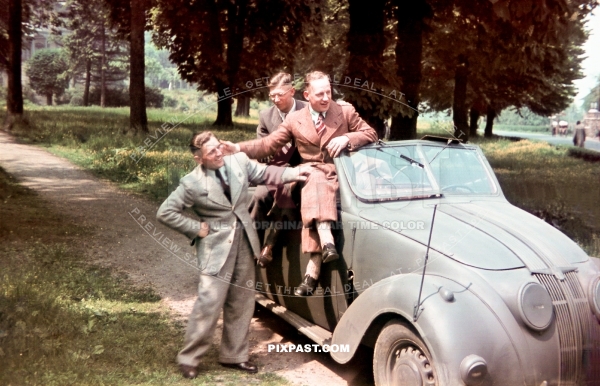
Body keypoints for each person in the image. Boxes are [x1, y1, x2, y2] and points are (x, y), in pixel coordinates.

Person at [156, 131, 309, 379]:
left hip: (246, 243)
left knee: (242, 301)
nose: (219, 153)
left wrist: (295, 173)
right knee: (209, 303)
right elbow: (166, 212)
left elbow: (265, 173)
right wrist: (196, 228)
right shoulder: (191, 183)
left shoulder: (238, 161)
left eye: (219, 147)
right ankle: (189, 359)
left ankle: (234, 356)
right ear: (199, 159)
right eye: (212, 152)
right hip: (215, 248)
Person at [221, 71, 377, 296]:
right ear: (307, 94)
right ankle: (322, 249)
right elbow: (268, 145)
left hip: (341, 176)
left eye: (329, 92)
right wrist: (237, 148)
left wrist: (347, 139)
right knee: (312, 177)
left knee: (315, 181)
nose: (326, 98)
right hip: (310, 176)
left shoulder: (345, 111)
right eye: (320, 94)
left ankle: (315, 264)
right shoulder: (296, 119)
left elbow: (370, 133)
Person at [250, 72, 307, 266]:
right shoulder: (266, 116)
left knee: (289, 193)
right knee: (258, 197)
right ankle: (254, 249)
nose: (276, 99)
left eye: (280, 95)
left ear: (292, 91)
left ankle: (271, 244)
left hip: (304, 168)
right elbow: (261, 149)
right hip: (276, 168)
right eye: (272, 95)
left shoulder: (308, 111)